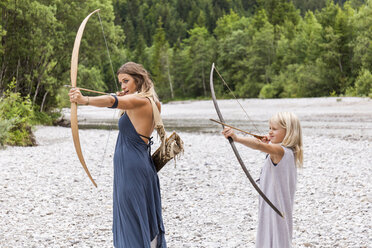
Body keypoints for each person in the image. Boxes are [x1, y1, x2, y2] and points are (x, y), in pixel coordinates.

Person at [69, 62, 166, 248]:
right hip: (137, 165)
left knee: (133, 214)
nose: (122, 86)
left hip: (133, 168)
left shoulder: (142, 101)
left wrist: (84, 100)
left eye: (126, 81)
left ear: (138, 80)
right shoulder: (151, 102)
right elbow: (123, 104)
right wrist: (125, 99)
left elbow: (110, 101)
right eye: (121, 82)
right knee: (140, 212)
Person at [222, 112, 303, 248]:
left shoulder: (280, 151)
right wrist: (269, 143)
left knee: (276, 241)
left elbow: (258, 146)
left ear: (289, 132)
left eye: (275, 129)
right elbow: (264, 147)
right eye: (269, 128)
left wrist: (236, 138)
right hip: (273, 206)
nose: (270, 132)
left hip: (275, 208)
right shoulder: (287, 151)